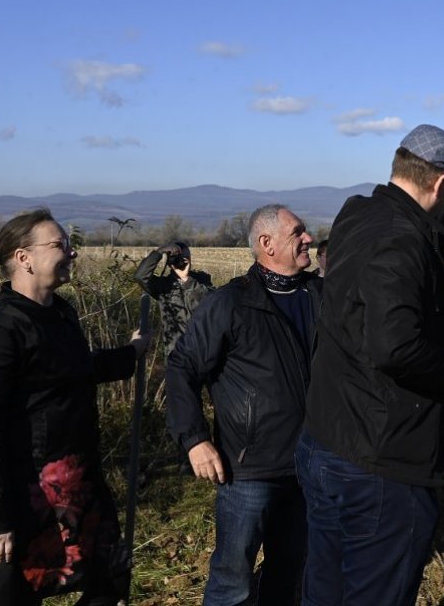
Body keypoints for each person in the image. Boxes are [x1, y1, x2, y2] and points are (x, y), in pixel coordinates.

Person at [296, 124, 444, 605]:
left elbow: (375, 308)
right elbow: (395, 345)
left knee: (325, 592)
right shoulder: (404, 240)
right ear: (439, 183)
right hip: (381, 462)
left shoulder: (358, 213)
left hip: (326, 441)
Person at [0, 208, 150, 605]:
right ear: (23, 258)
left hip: (75, 488)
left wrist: (129, 354)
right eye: (60, 244)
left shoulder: (60, 315)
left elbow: (72, 370)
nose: (72, 252)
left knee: (108, 578)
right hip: (21, 498)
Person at [165, 204, 321, 605]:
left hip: (309, 465)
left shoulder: (319, 295)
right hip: (249, 470)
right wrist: (194, 439)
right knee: (232, 582)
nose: (309, 238)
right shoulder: (231, 303)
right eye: (298, 232)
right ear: (267, 243)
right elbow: (182, 366)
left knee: (288, 573)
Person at [133, 241, 212, 357]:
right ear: (169, 261)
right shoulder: (163, 286)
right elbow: (140, 276)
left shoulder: (201, 280)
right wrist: (159, 252)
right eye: (176, 257)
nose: (181, 259)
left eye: (185, 256)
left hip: (203, 350)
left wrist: (187, 280)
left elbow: (209, 302)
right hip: (175, 352)